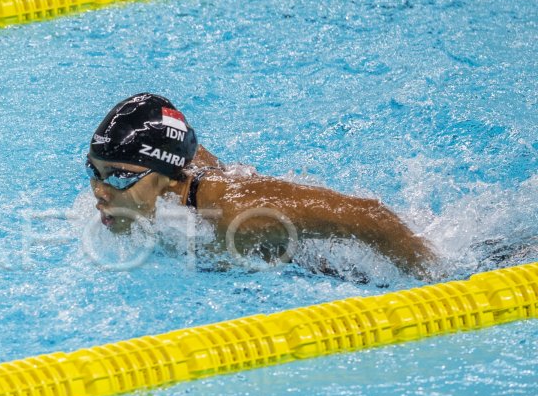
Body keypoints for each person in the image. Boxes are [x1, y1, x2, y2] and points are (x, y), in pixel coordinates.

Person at [85, 93, 439, 279]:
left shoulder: (236, 216)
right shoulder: (164, 185)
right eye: (94, 172)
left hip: (345, 275)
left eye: (117, 176)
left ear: (166, 175)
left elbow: (369, 216)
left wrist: (435, 279)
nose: (99, 191)